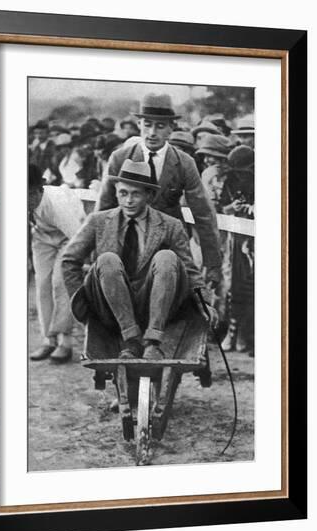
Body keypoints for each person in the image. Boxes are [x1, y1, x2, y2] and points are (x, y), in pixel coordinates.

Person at [62, 160, 217, 360]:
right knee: (107, 259)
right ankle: (131, 340)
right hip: (111, 306)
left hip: (155, 304)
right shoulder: (98, 221)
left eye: (136, 194)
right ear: (116, 192)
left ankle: (153, 342)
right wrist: (81, 302)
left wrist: (204, 303)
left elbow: (189, 269)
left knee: (166, 257)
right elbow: (68, 260)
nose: (128, 201)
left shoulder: (171, 225)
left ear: (150, 196)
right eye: (123, 193)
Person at [97, 93, 222, 288]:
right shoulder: (119, 158)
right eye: (147, 124)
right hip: (128, 246)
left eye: (160, 126)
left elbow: (203, 213)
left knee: (169, 307)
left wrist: (212, 263)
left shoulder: (184, 163)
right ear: (139, 124)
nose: (152, 132)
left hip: (170, 247)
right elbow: (103, 209)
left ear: (171, 128)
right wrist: (98, 255)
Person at [29, 168, 86, 363]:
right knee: (42, 283)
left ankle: (65, 343)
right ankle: (49, 339)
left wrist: (83, 265)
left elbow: (79, 238)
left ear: (39, 189)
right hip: (42, 236)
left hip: (69, 237)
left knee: (59, 283)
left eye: (29, 194)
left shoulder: (58, 203)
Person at [219, 145, 255, 356]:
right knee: (235, 284)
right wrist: (231, 208)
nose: (240, 175)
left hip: (258, 238)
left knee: (253, 286)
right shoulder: (230, 181)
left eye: (244, 171)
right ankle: (232, 331)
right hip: (237, 236)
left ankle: (245, 332)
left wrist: (252, 209)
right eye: (237, 171)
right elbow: (222, 208)